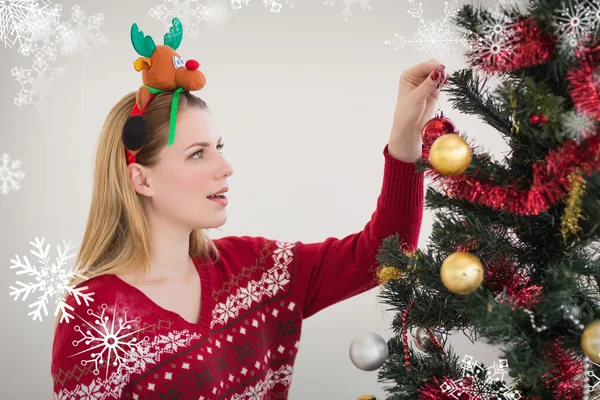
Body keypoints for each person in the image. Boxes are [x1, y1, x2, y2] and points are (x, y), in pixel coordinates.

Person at [50, 17, 448, 400]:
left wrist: (406, 133)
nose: (225, 167)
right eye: (197, 154)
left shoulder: (254, 269)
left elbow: (383, 254)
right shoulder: (94, 320)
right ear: (142, 180)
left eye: (218, 148)